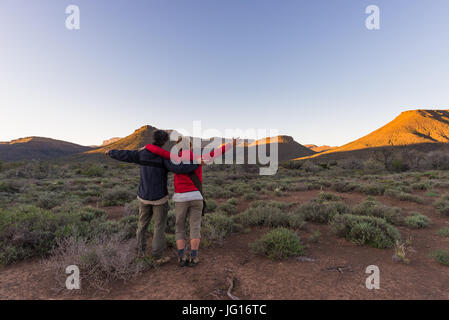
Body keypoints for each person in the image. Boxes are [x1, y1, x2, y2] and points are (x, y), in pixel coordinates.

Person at [105, 130, 199, 264]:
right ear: (165, 142)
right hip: (159, 198)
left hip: (143, 196)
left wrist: (110, 152)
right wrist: (195, 164)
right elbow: (180, 168)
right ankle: (157, 257)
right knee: (159, 227)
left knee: (142, 225)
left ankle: (140, 252)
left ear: (153, 139)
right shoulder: (164, 157)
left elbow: (125, 154)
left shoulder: (142, 153)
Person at [145, 137, 237, 267]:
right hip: (196, 196)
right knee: (195, 227)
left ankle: (181, 258)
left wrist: (147, 147)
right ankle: (193, 257)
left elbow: (160, 152)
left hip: (180, 198)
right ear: (190, 146)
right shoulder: (199, 158)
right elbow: (215, 153)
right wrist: (230, 144)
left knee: (180, 228)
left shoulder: (174, 158)